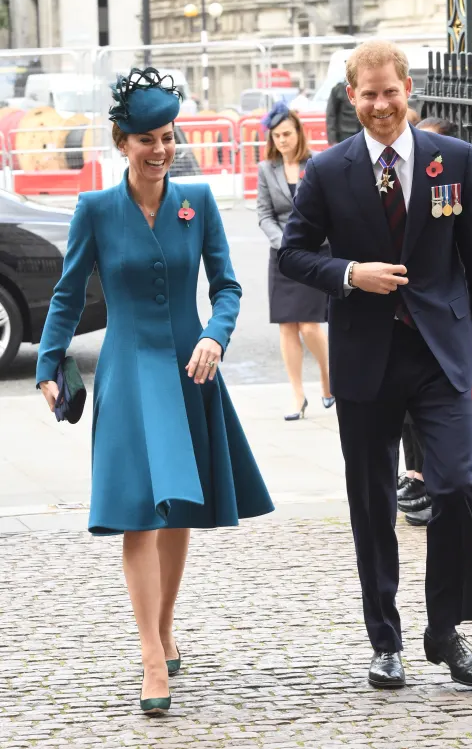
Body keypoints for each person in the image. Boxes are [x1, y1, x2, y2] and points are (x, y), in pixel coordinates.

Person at [36, 67, 274, 715]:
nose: (160, 149)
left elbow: (227, 287)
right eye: (146, 139)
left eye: (167, 136)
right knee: (139, 512)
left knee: (178, 509)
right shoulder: (96, 210)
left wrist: (216, 336)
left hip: (188, 369)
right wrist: (49, 368)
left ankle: (165, 625)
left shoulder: (197, 203)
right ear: (122, 142)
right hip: (126, 374)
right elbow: (65, 295)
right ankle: (150, 654)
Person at [279, 39, 472, 689]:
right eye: (368, 94)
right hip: (364, 356)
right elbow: (293, 255)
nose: (380, 104)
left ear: (410, 89)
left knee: (457, 484)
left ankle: (446, 631)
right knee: (372, 502)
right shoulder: (327, 171)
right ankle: (385, 639)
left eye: (390, 91)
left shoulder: (454, 161)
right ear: (352, 98)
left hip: (441, 352)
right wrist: (350, 272)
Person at [398, 115, 460, 528]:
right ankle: (416, 476)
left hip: (443, 324)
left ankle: (432, 481)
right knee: (404, 415)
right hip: (394, 328)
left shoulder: (457, 171)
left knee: (456, 471)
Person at [257, 102, 334, 420]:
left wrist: (303, 242)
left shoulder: (317, 164)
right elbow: (264, 214)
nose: (282, 141)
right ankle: (297, 395)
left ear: (299, 134)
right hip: (282, 255)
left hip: (314, 252)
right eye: (276, 136)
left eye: (287, 134)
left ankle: (329, 380)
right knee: (287, 326)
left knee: (309, 325)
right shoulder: (266, 169)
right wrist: (284, 243)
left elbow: (328, 209)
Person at [326, 79, 362, 145]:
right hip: (344, 134)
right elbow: (331, 115)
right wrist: (332, 140)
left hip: (362, 132)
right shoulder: (338, 89)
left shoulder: (363, 87)